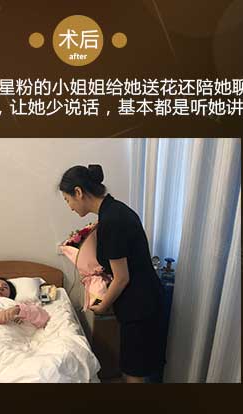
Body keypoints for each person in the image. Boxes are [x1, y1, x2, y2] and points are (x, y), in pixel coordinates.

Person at [59, 164, 167, 383]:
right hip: (142, 300)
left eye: (67, 200)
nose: (69, 207)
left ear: (78, 192)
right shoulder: (114, 210)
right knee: (133, 365)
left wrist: (102, 305)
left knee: (134, 371)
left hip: (140, 306)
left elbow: (122, 278)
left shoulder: (112, 221)